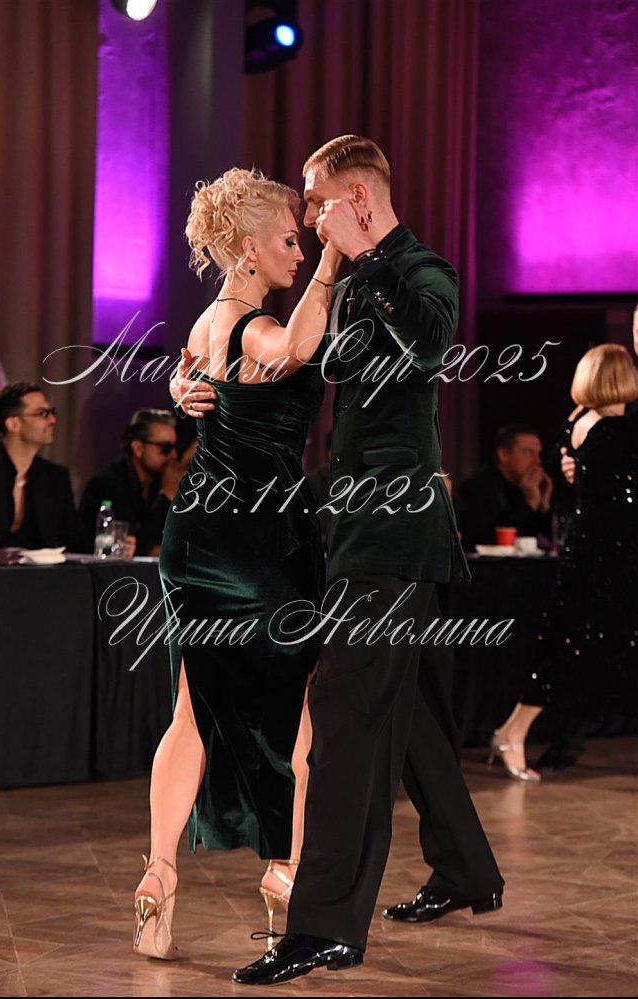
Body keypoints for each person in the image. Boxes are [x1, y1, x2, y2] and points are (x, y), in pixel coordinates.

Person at [220, 135, 503, 986]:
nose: (309, 216)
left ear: (357, 198)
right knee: (406, 717)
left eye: (316, 200)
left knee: (342, 724)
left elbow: (430, 346)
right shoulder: (346, 281)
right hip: (351, 531)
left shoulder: (421, 270)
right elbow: (294, 363)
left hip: (393, 536)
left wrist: (370, 255)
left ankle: (323, 927)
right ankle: (467, 868)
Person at [132, 167, 341, 960]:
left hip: (197, 535)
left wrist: (181, 383)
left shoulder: (203, 324)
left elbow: (195, 372)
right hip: (258, 539)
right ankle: (285, 870)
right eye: (290, 238)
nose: (301, 249)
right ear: (248, 248)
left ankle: (159, 875)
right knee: (294, 711)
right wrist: (335, 258)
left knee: (191, 709)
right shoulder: (256, 326)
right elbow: (291, 349)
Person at [489, 344, 638, 781]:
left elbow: (570, 483)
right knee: (569, 650)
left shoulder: (578, 423)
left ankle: (519, 732)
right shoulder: (615, 431)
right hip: (607, 557)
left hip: (590, 550)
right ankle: (513, 732)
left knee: (570, 647)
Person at [0, 381, 87, 552]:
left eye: (52, 412)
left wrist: (112, 542)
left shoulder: (55, 477)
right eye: (42, 413)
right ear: (14, 424)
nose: (53, 420)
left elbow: (76, 539)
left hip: (41, 570)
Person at [79, 409, 180, 556]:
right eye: (166, 448)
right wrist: (166, 495)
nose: (173, 455)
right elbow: (133, 544)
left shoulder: (157, 482)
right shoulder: (108, 483)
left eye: (175, 447)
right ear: (138, 448)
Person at [456, 424, 553, 550]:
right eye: (528, 453)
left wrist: (544, 506)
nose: (537, 461)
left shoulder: (532, 486)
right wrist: (530, 504)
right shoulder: (476, 487)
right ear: (504, 455)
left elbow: (548, 541)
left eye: (538, 454)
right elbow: (488, 539)